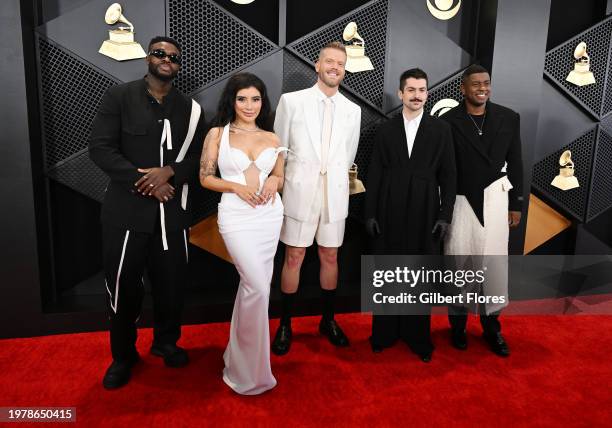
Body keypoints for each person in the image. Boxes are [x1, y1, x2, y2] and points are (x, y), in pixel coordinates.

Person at [89, 36, 206, 389]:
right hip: (127, 213)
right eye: (159, 54)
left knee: (172, 285)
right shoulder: (119, 97)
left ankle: (166, 342)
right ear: (148, 59)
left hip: (172, 215)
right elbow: (101, 149)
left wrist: (169, 173)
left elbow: (203, 157)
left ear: (178, 64)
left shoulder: (192, 109)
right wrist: (148, 182)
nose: (166, 59)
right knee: (123, 288)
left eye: (173, 56)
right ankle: (123, 356)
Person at [271, 41, 362, 355]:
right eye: (329, 61)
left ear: (344, 70)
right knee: (293, 256)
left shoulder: (353, 110)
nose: (334, 67)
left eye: (340, 63)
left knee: (330, 257)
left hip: (334, 196)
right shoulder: (291, 102)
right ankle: (285, 324)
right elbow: (279, 150)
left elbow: (348, 155)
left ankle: (328, 320)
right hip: (299, 192)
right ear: (317, 65)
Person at [200, 72, 285, 395]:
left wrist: (276, 181)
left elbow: (279, 175)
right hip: (235, 217)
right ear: (231, 101)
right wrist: (237, 187)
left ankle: (242, 362)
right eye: (242, 99)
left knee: (253, 290)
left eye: (255, 99)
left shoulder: (272, 138)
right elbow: (206, 178)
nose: (249, 105)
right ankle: (246, 368)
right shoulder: (217, 135)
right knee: (258, 288)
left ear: (262, 102)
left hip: (269, 216)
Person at [364, 68, 456, 362]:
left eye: (422, 90)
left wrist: (445, 215)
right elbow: (375, 172)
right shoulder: (385, 129)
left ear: (427, 94)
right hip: (388, 208)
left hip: (425, 209)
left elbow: (450, 176)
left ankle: (418, 336)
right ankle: (385, 333)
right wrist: (370, 213)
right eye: (411, 90)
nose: (417, 95)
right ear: (401, 93)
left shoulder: (441, 130)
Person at [441, 64, 523, 357]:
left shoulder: (508, 118)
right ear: (462, 89)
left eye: (486, 83)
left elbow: (516, 162)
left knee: (494, 268)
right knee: (459, 264)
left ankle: (492, 328)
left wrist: (517, 204)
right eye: (475, 84)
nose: (482, 88)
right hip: (462, 202)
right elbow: (445, 170)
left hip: (496, 200)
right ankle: (458, 327)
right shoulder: (448, 122)